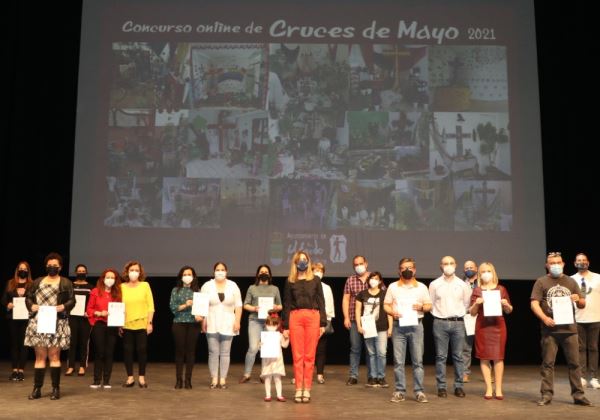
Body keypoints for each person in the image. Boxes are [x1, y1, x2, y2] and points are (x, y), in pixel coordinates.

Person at [531, 251, 592, 406]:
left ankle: (578, 395)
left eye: (558, 262)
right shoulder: (541, 281)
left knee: (575, 364)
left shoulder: (571, 282)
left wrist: (578, 299)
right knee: (547, 364)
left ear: (563, 264)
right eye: (552, 263)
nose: (555, 265)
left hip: (570, 329)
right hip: (549, 330)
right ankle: (546, 395)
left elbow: (582, 304)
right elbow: (534, 303)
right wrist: (544, 318)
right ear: (547, 265)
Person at [24, 252, 75, 400]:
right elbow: (29, 297)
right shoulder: (37, 281)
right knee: (40, 356)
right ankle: (37, 389)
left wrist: (63, 306)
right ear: (46, 266)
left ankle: (55, 389)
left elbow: (72, 300)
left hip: (57, 321)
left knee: (54, 355)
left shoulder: (65, 282)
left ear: (60, 267)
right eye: (50, 265)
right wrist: (31, 306)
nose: (52, 267)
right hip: (38, 321)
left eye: (55, 266)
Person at [384, 257, 432, 403]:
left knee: (417, 361)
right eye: (404, 268)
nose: (407, 270)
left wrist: (422, 307)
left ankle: (419, 391)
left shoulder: (422, 287)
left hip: (416, 325)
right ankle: (400, 391)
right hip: (399, 326)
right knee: (399, 361)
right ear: (399, 270)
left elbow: (429, 305)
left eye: (410, 267)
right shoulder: (393, 287)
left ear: (414, 270)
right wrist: (392, 312)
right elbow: (386, 305)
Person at [282, 251, 326, 403]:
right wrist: (286, 325)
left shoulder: (315, 280)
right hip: (295, 317)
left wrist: (323, 323)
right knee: (298, 355)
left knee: (309, 356)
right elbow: (287, 304)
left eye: (304, 259)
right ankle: (298, 389)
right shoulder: (290, 281)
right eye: (299, 260)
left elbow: (321, 302)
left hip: (313, 317)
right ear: (295, 262)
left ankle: (307, 389)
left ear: (308, 261)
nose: (302, 262)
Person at [468, 262, 512, 399]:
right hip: (483, 327)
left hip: (498, 327)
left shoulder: (501, 289)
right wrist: (477, 303)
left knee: (498, 357)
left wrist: (506, 305)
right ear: (480, 274)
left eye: (489, 271)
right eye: (483, 271)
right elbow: (472, 312)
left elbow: (509, 310)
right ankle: (488, 388)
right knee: (484, 357)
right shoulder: (477, 290)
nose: (486, 273)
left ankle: (498, 389)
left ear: (493, 272)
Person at [429, 255, 471, 398]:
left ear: (456, 265)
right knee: (441, 356)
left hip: (458, 323)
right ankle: (441, 387)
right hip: (440, 322)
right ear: (441, 266)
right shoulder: (434, 284)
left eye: (451, 263)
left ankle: (459, 386)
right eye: (445, 263)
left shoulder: (462, 285)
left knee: (458, 356)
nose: (448, 265)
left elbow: (466, 304)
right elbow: (431, 304)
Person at [200, 262, 242, 389]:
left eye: (222, 269)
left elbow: (238, 305)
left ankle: (223, 379)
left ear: (226, 272)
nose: (220, 272)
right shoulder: (207, 286)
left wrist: (237, 321)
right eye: (217, 269)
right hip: (211, 322)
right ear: (214, 272)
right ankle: (214, 378)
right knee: (213, 352)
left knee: (225, 353)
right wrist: (203, 321)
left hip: (229, 322)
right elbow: (202, 306)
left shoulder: (233, 285)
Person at [240, 264, 282, 383]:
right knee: (253, 347)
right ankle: (247, 374)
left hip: (270, 322)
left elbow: (280, 305)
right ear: (258, 274)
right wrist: (254, 309)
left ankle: (264, 374)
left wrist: (275, 307)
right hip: (255, 320)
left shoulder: (275, 289)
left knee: (267, 349)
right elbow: (245, 304)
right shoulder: (252, 288)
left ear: (269, 275)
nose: (264, 273)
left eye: (266, 271)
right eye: (261, 271)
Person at [121, 260, 154, 388]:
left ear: (140, 273)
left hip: (142, 323)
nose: (134, 272)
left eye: (136, 270)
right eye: (131, 270)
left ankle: (141, 378)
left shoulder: (145, 285)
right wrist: (119, 323)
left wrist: (149, 323)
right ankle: (130, 378)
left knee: (142, 350)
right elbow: (119, 306)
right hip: (126, 324)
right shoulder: (122, 287)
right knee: (127, 351)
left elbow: (150, 306)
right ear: (127, 272)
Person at [355, 271, 392, 388]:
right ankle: (372, 377)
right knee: (371, 353)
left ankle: (381, 377)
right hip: (368, 327)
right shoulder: (362, 294)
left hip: (382, 327)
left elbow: (389, 311)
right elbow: (357, 310)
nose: (373, 280)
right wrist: (359, 325)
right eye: (371, 278)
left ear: (380, 281)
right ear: (368, 280)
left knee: (381, 353)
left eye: (376, 278)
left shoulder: (384, 294)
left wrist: (390, 327)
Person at [86, 268, 122, 388]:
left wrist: (120, 324)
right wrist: (99, 313)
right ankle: (97, 380)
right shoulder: (95, 291)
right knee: (99, 352)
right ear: (103, 278)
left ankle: (106, 380)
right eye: (108, 277)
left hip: (112, 325)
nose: (110, 280)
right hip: (99, 324)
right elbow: (89, 309)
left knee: (109, 352)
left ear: (116, 280)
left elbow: (120, 310)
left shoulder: (117, 293)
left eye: (113, 278)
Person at [169, 265, 202, 389]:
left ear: (193, 277)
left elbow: (202, 309)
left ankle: (188, 380)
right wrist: (185, 304)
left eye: (189, 274)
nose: (187, 276)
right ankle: (178, 380)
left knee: (190, 352)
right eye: (184, 274)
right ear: (181, 276)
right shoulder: (175, 290)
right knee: (179, 351)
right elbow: (173, 308)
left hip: (193, 324)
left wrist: (201, 316)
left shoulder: (198, 291)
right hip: (179, 323)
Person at [571, 253, 600, 389]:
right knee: (580, 348)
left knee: (593, 347)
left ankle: (594, 377)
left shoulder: (597, 277)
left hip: (595, 317)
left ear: (588, 262)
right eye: (579, 260)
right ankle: (581, 376)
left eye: (584, 260)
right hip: (578, 318)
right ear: (574, 263)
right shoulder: (571, 280)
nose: (581, 262)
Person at [1, 261, 33, 381]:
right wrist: (8, 304)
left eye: (25, 269)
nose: (22, 270)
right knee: (14, 344)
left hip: (26, 318)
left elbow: (35, 300)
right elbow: (4, 299)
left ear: (28, 271)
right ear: (17, 270)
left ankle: (21, 371)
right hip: (13, 318)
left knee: (24, 344)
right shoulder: (10, 283)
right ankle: (14, 370)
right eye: (20, 268)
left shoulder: (31, 285)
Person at [342, 255, 371, 385]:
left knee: (370, 349)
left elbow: (383, 297)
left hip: (371, 320)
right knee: (355, 348)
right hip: (354, 318)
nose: (358, 266)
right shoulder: (350, 280)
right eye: (356, 264)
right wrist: (346, 317)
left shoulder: (375, 278)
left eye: (360, 263)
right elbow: (346, 299)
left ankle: (372, 376)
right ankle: (353, 375)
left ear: (366, 263)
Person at [65, 264, 93, 376]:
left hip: (85, 318)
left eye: (83, 271)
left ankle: (82, 366)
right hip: (72, 317)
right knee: (72, 342)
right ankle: (70, 366)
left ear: (86, 273)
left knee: (84, 342)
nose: (81, 272)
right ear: (76, 272)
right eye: (79, 271)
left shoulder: (91, 287)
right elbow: (67, 300)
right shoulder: (70, 286)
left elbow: (93, 303)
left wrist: (89, 312)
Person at [313, 262, 335, 384]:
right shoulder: (307, 285)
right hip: (309, 320)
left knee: (321, 349)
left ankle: (320, 374)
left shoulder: (326, 288)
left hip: (322, 321)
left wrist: (327, 322)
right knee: (306, 349)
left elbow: (330, 306)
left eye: (321, 271)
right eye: (316, 270)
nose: (319, 273)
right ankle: (301, 374)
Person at [261, 313, 289, 402]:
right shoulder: (264, 336)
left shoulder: (279, 335)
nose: (271, 327)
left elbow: (284, 345)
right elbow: (261, 348)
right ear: (266, 325)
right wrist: (260, 346)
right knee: (268, 378)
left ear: (277, 325)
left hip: (277, 360)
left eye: (274, 325)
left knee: (277, 378)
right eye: (269, 325)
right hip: (267, 360)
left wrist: (286, 338)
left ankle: (279, 395)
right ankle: (268, 395)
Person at [462, 260, 478, 383]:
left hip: (482, 316)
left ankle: (489, 371)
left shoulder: (483, 283)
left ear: (476, 269)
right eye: (466, 268)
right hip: (467, 317)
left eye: (471, 267)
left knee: (485, 346)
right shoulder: (461, 283)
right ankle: (465, 372)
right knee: (466, 347)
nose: (469, 269)